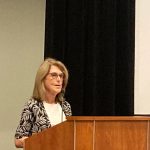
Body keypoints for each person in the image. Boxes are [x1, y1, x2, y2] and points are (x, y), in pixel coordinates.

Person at [14, 57, 72, 148]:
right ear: (42, 78)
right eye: (54, 75)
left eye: (61, 76)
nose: (59, 79)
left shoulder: (65, 106)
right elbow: (18, 140)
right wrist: (38, 140)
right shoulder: (33, 105)